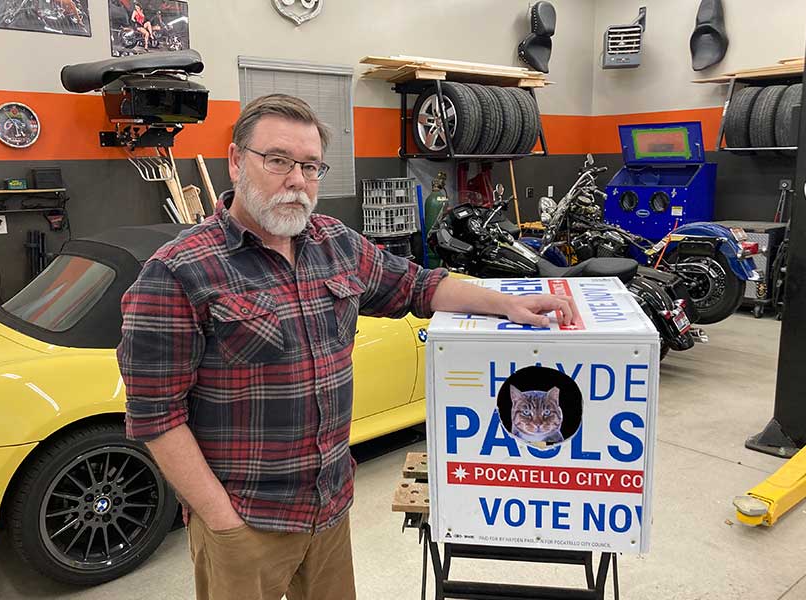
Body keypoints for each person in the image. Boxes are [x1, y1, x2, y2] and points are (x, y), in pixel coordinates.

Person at [116, 94, 577, 600]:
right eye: (278, 161)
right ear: (235, 160)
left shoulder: (334, 243)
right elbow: (156, 416)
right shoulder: (177, 272)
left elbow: (420, 285)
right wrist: (222, 522)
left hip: (330, 509)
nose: (297, 180)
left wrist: (504, 303)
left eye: (311, 166)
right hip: (245, 522)